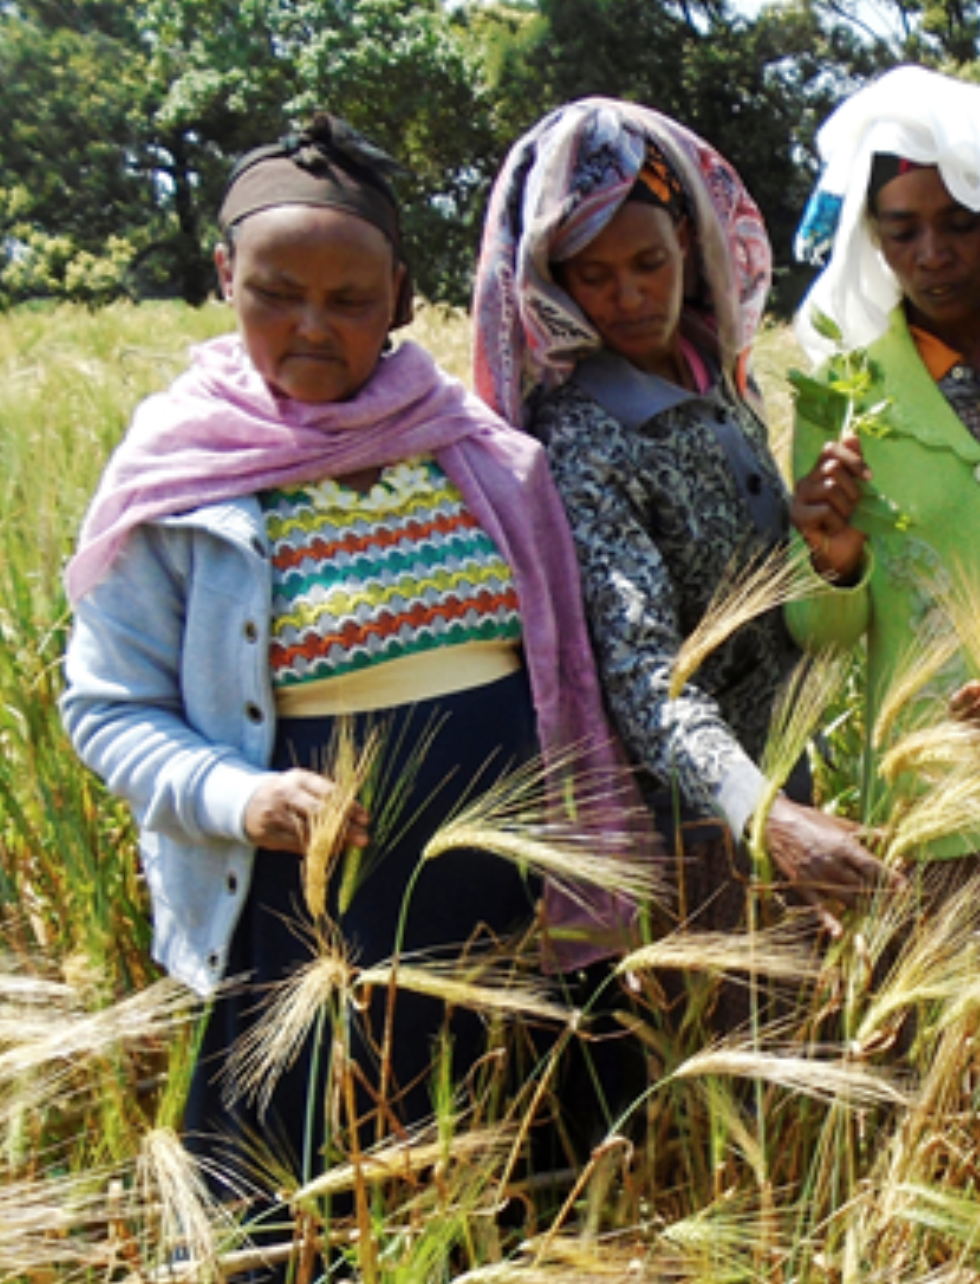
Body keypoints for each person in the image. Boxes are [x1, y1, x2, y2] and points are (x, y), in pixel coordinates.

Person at [60, 115, 639, 1237]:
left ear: (405, 296)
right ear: (224, 275)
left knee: (508, 1192)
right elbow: (109, 706)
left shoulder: (479, 452)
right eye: (277, 292)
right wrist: (241, 798)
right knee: (310, 1208)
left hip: (501, 891)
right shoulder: (181, 472)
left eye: (351, 300)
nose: (313, 327)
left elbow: (564, 671)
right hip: (315, 906)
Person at [474, 99, 889, 933]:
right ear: (552, 283)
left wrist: (821, 549)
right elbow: (643, 673)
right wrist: (766, 818)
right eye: (593, 275)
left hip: (784, 787)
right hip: (690, 829)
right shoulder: (585, 437)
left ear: (690, 250)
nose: (627, 296)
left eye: (648, 263)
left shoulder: (723, 382)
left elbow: (765, 598)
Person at [786, 65, 980, 823]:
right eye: (902, 228)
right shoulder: (842, 394)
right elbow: (821, 636)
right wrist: (832, 557)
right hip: (932, 802)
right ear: (872, 236)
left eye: (961, 222)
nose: (933, 254)